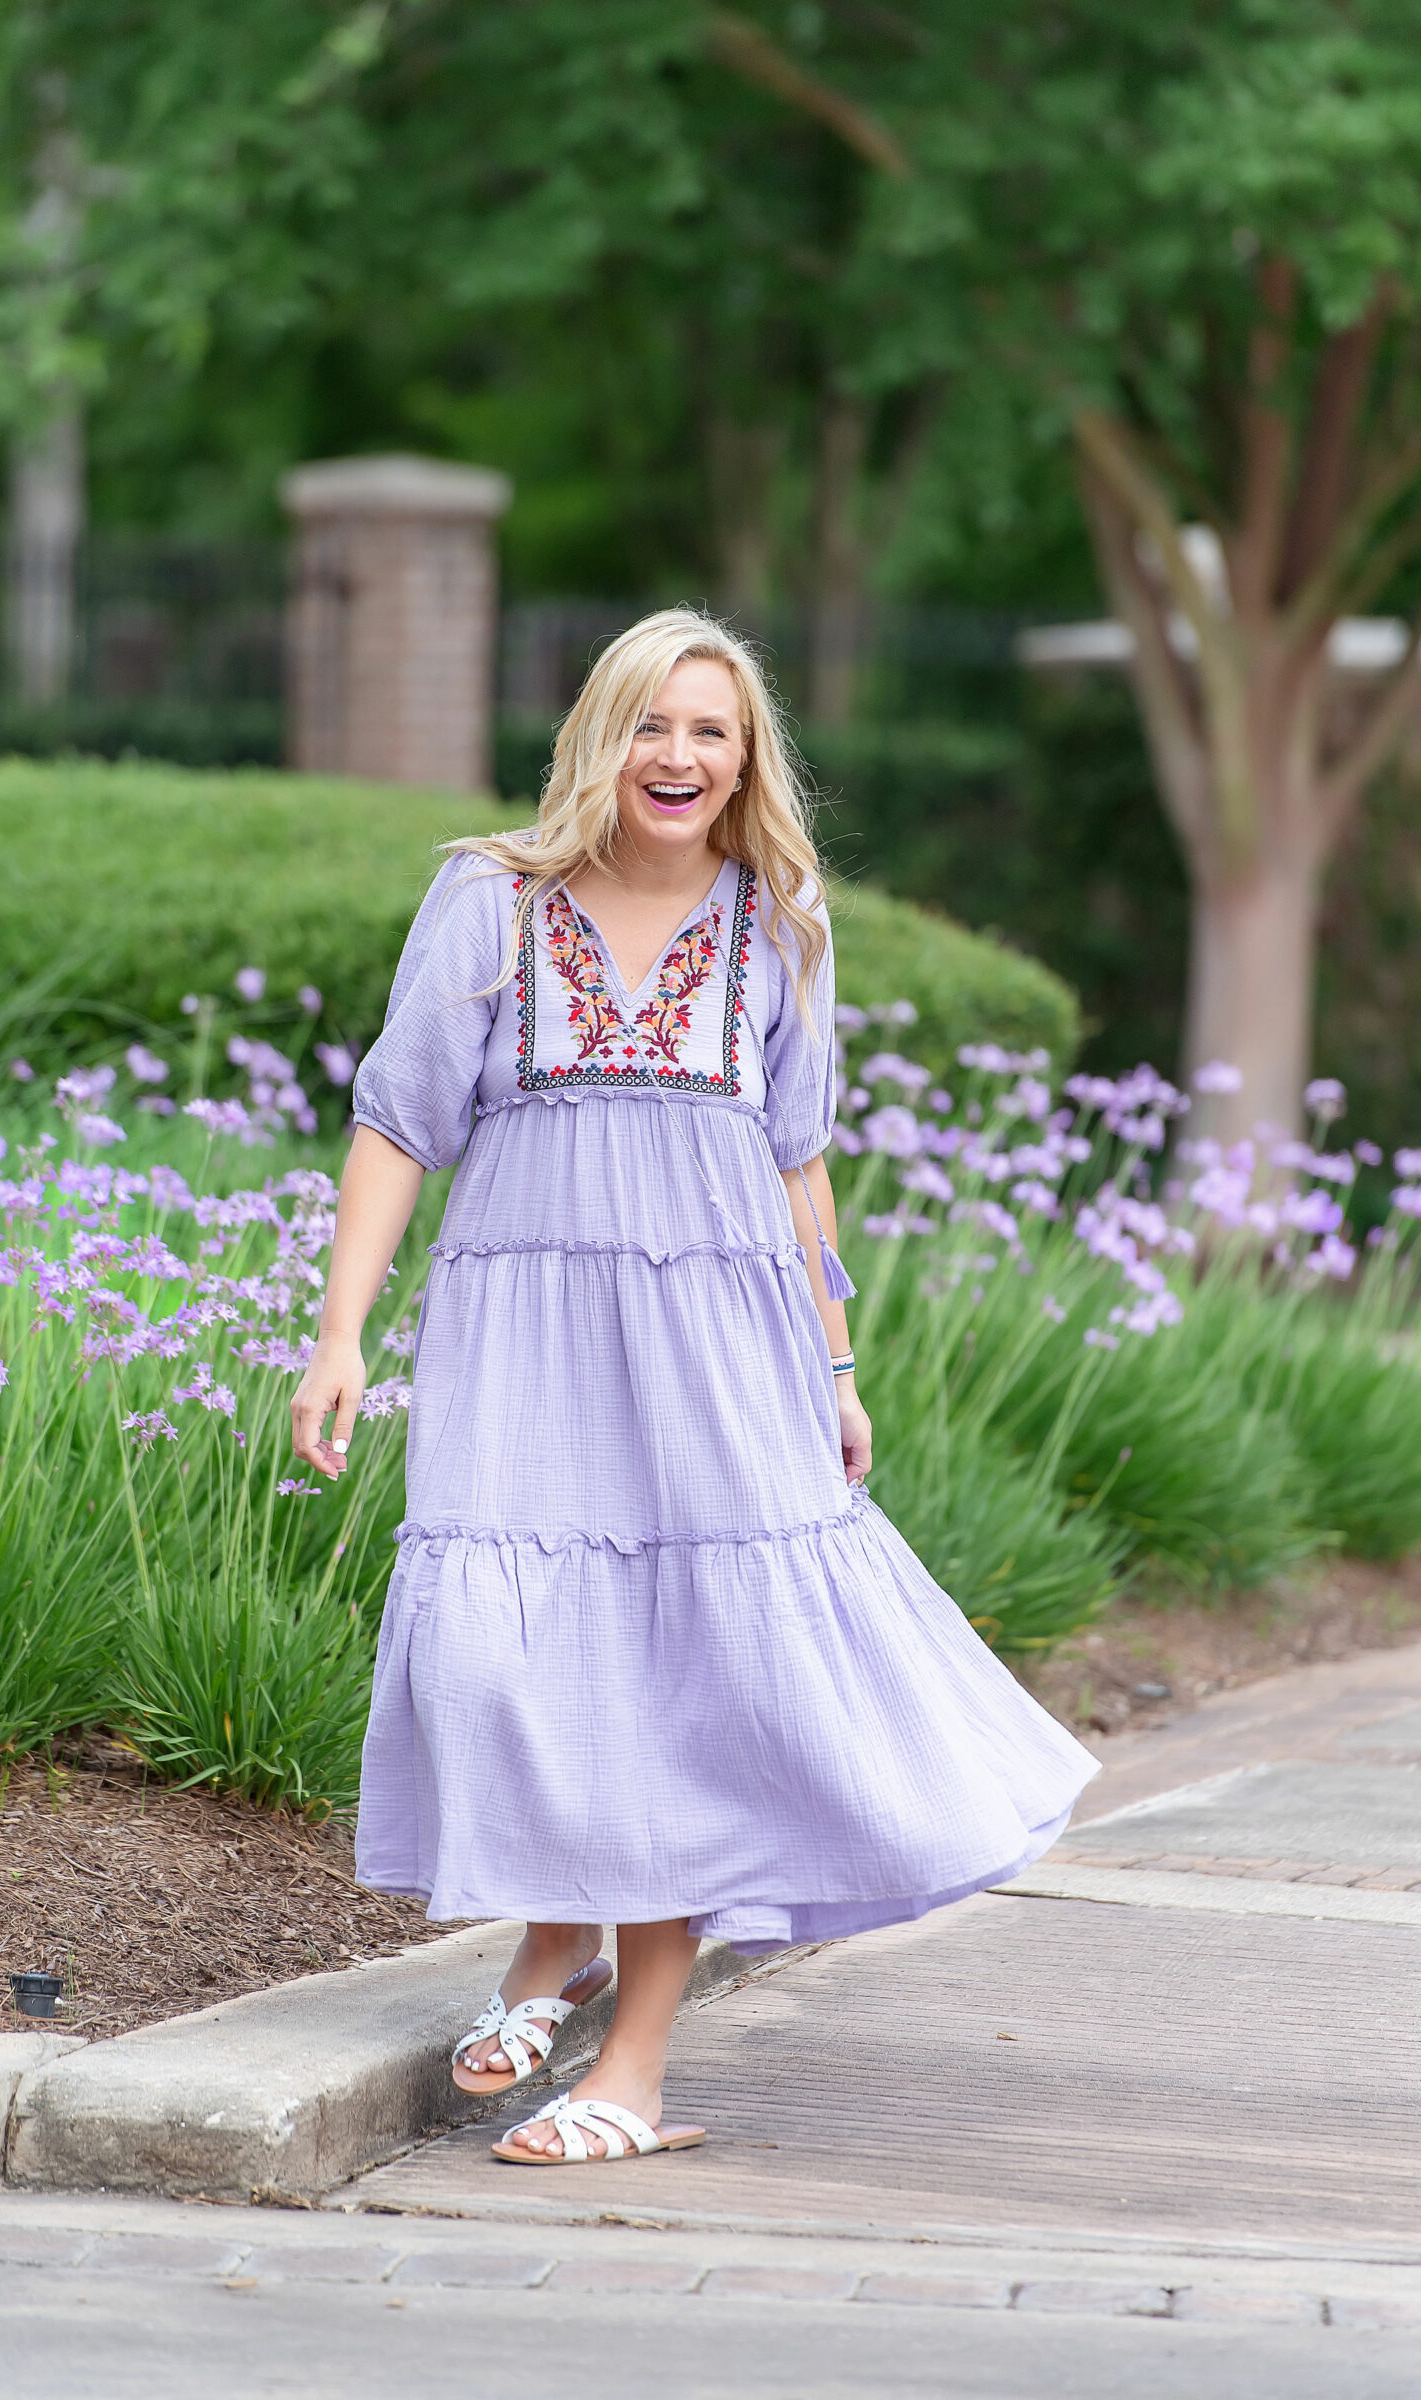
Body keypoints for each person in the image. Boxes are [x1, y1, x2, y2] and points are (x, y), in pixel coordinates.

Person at [290, 607, 1097, 2167]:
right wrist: (340, 1337)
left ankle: (633, 2071)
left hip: (726, 1350)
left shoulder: (781, 924)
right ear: (604, 734)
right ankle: (559, 1935)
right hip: (523, 1336)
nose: (678, 755)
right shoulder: (491, 901)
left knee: (686, 1675)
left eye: (710, 730)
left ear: (746, 758)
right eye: (653, 723)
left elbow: (800, 1164)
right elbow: (398, 1123)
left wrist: (838, 1369)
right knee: (507, 1660)